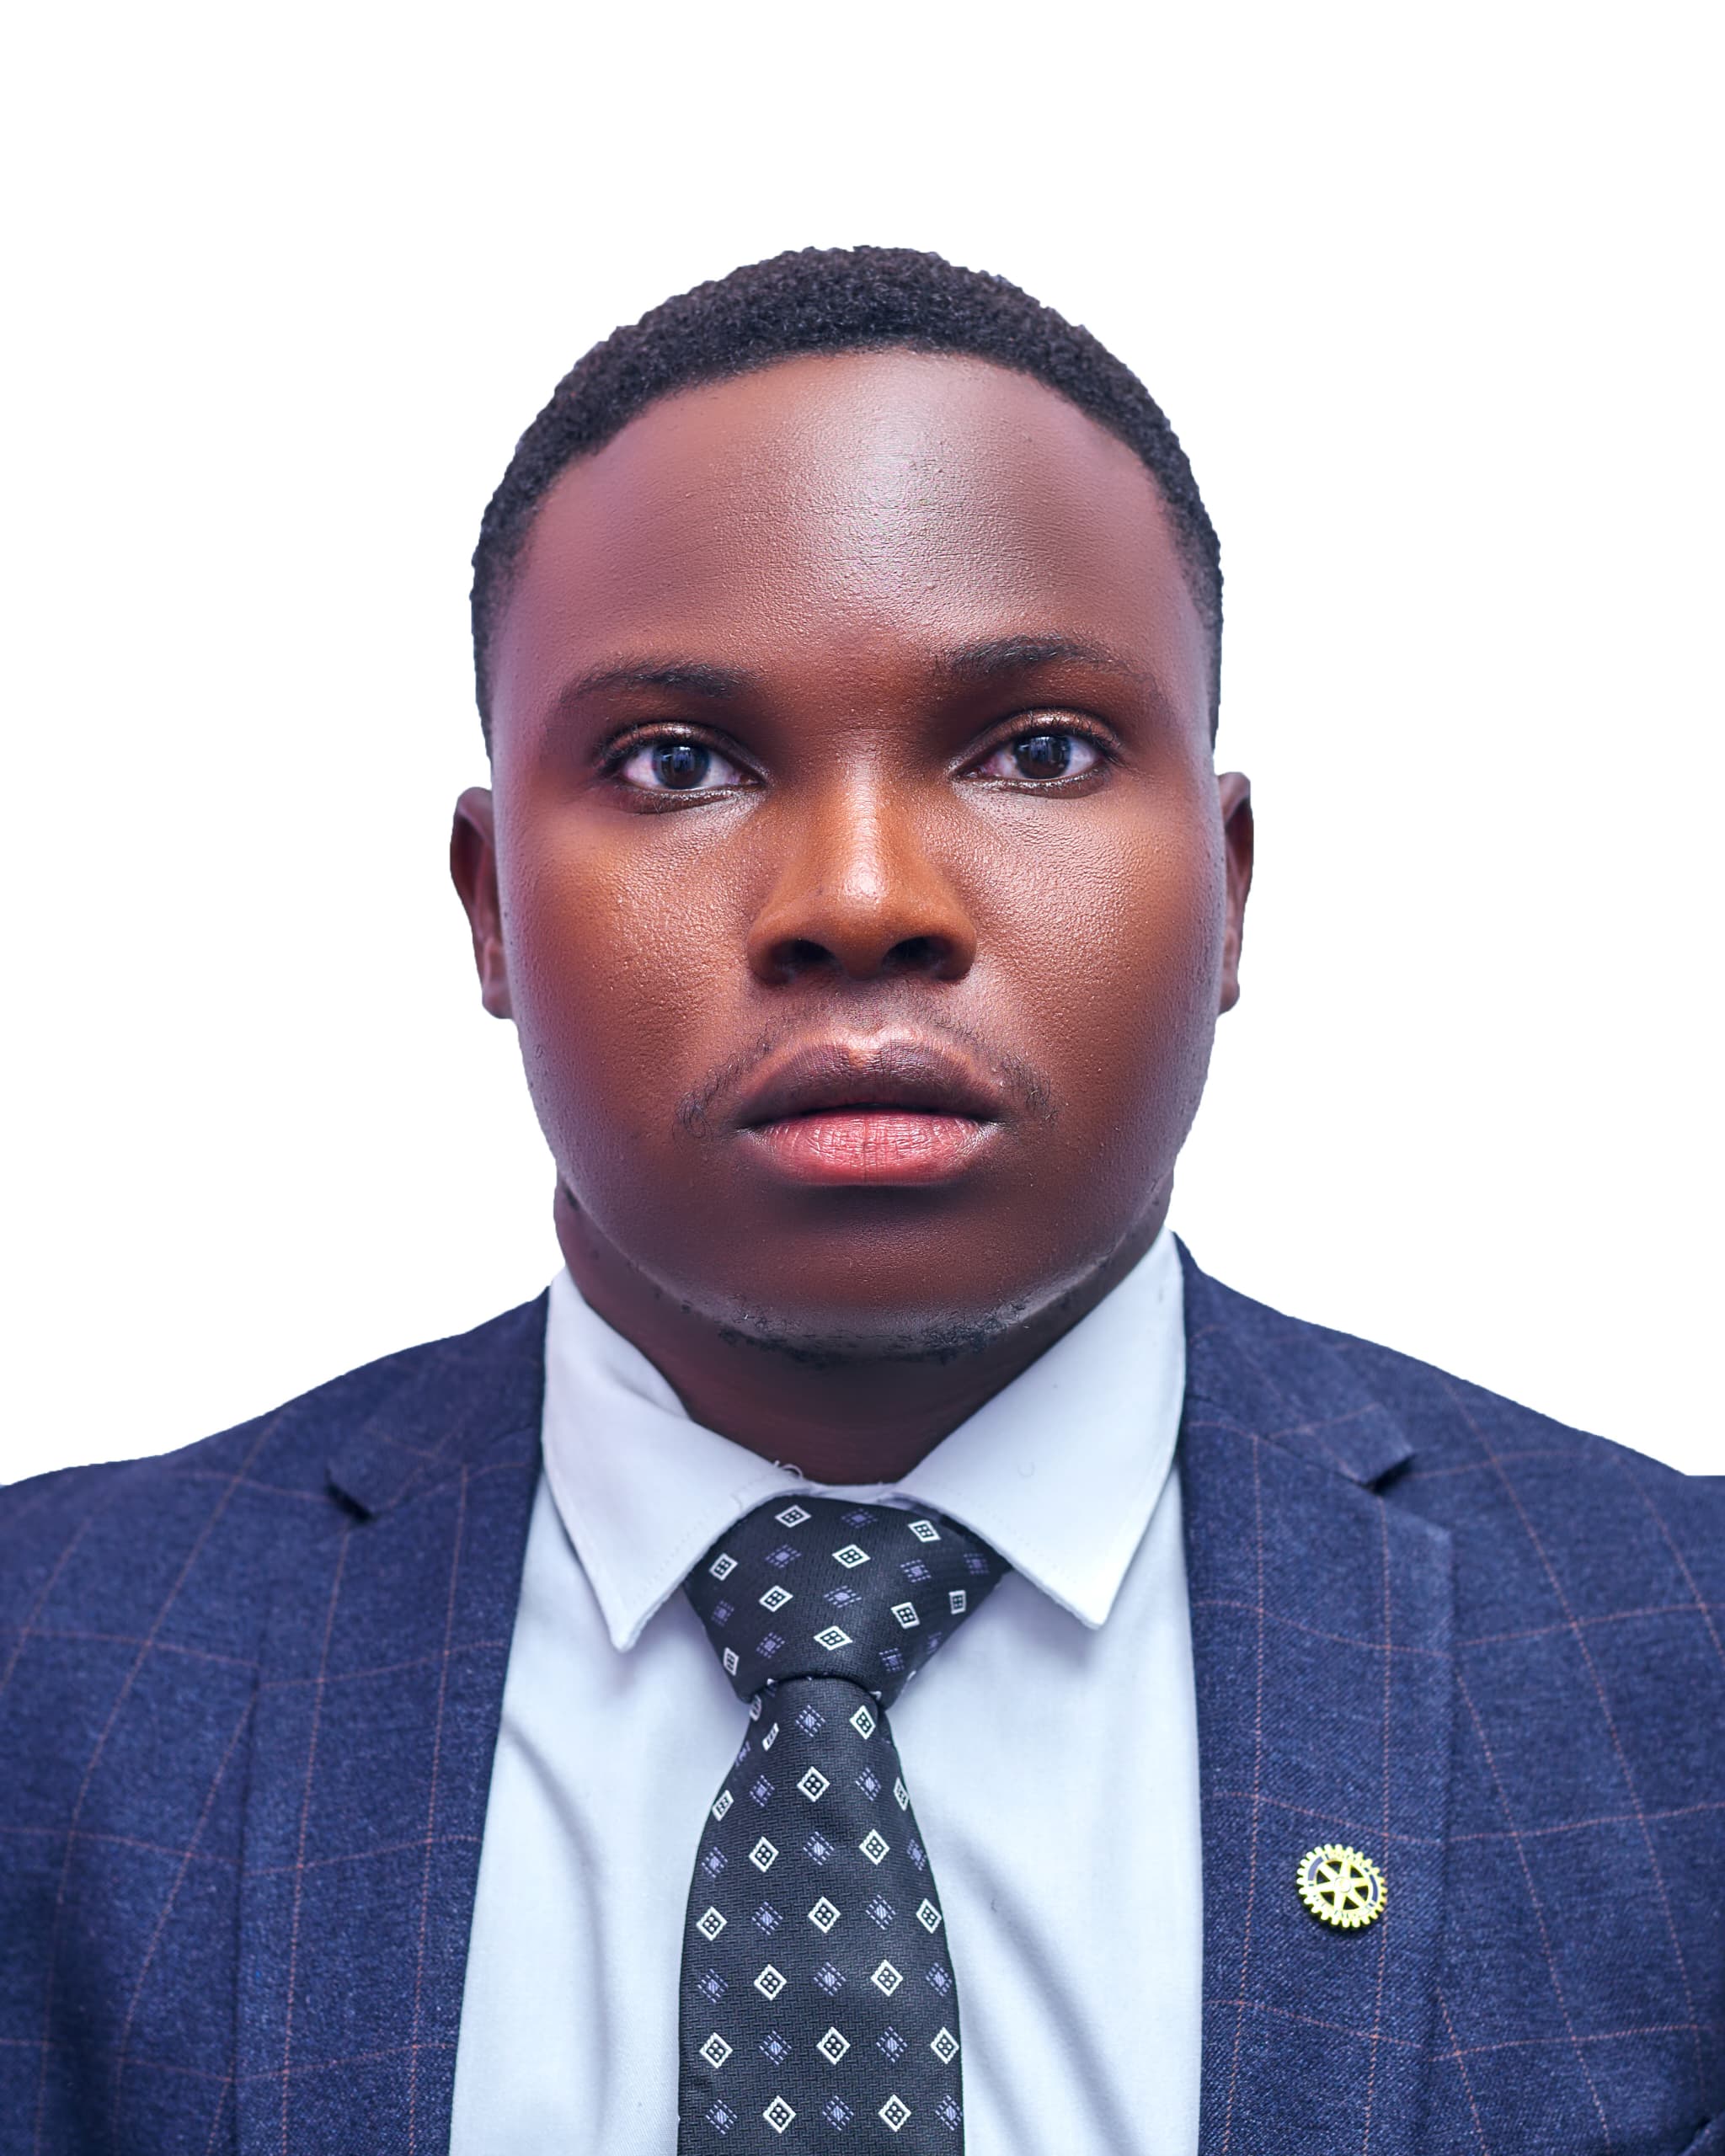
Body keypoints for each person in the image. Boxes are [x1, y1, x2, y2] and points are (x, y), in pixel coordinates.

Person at [3, 247, 1720, 2156]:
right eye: (677, 761)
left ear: (1229, 887)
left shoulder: (1679, 1655)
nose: (861, 895)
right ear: (489, 907)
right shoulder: (46, 1668)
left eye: (1039, 750)